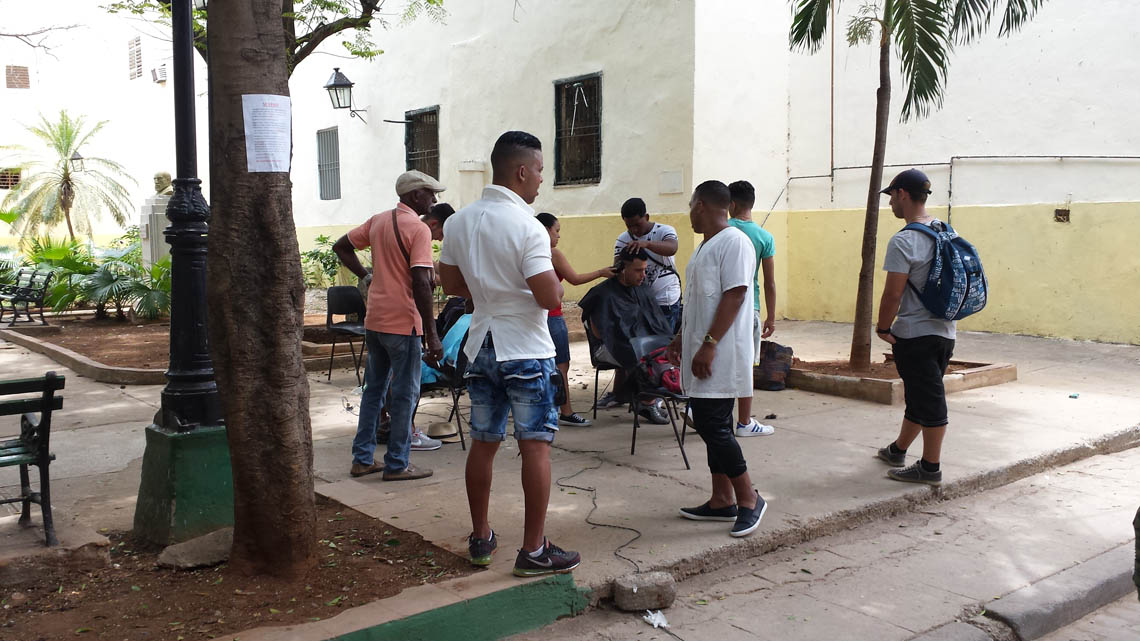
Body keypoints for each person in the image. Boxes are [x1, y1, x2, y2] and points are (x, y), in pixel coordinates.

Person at [439, 131, 581, 576]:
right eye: (539, 170)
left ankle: (481, 537)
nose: (541, 179)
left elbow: (451, 286)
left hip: (481, 343)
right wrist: (547, 282)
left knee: (484, 442)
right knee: (536, 445)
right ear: (521, 171)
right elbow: (547, 295)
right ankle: (534, 549)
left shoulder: (458, 221)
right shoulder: (528, 227)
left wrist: (489, 293)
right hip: (525, 347)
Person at [333, 169, 446, 481]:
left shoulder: (378, 220)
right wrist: (432, 334)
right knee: (405, 394)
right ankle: (397, 463)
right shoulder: (418, 229)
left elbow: (341, 246)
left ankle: (362, 459)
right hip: (403, 322)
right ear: (413, 196)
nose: (434, 200)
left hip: (376, 320)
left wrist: (366, 276)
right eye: (429, 193)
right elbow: (422, 283)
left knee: (374, 391)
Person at [668, 180, 767, 538]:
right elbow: (697, 302)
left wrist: (709, 344)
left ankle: (749, 498)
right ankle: (721, 498)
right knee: (714, 425)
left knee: (713, 426)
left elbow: (736, 295)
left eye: (691, 206)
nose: (690, 214)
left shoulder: (735, 242)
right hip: (701, 351)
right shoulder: (704, 248)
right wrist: (682, 337)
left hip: (720, 354)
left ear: (700, 206)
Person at [874, 169, 954, 487]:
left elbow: (893, 293)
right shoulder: (944, 229)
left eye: (891, 196)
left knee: (930, 401)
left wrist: (882, 327)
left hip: (916, 334)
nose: (890, 203)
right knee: (919, 396)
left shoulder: (905, 240)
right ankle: (898, 449)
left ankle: (930, 467)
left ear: (902, 195)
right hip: (945, 332)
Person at [535, 212, 615, 427]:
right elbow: (575, 279)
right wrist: (601, 272)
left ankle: (544, 410)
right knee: (561, 365)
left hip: (534, 317)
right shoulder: (552, 254)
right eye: (556, 231)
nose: (558, 236)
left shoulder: (526, 252)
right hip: (552, 316)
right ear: (544, 230)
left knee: (540, 364)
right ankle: (566, 410)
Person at [579, 247, 672, 424]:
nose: (643, 275)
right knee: (642, 357)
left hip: (636, 344)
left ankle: (653, 395)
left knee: (666, 350)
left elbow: (655, 322)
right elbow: (600, 334)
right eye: (638, 270)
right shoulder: (602, 294)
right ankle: (647, 402)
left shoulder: (642, 289)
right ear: (622, 268)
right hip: (606, 347)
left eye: (644, 270)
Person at [726, 180, 777, 438]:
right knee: (745, 364)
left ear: (731, 204)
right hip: (751, 307)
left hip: (723, 305)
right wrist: (771, 315)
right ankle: (744, 421)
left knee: (718, 357)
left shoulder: (722, 229)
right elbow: (769, 281)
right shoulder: (764, 237)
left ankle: (699, 409)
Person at [614, 198, 682, 332]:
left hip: (665, 299)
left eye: (637, 225)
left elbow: (672, 248)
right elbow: (618, 267)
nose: (634, 230)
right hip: (638, 300)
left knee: (663, 342)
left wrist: (647, 244)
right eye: (629, 226)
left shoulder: (664, 230)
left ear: (646, 217)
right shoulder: (623, 239)